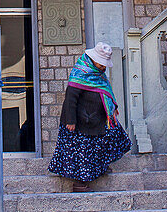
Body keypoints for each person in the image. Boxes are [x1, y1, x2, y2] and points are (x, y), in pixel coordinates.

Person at [47, 42, 132, 192]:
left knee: (108, 143)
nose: (103, 67)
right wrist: (70, 121)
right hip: (80, 123)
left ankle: (99, 169)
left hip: (97, 120)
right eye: (101, 64)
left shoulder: (99, 76)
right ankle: (80, 185)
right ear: (92, 60)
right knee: (83, 153)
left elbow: (105, 93)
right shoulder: (80, 73)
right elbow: (70, 99)